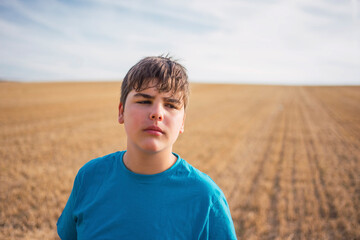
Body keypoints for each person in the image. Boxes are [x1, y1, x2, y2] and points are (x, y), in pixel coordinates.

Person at [57, 55, 237, 239]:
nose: (157, 113)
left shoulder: (206, 199)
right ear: (121, 112)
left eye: (170, 105)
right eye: (144, 101)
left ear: (182, 122)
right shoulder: (89, 178)